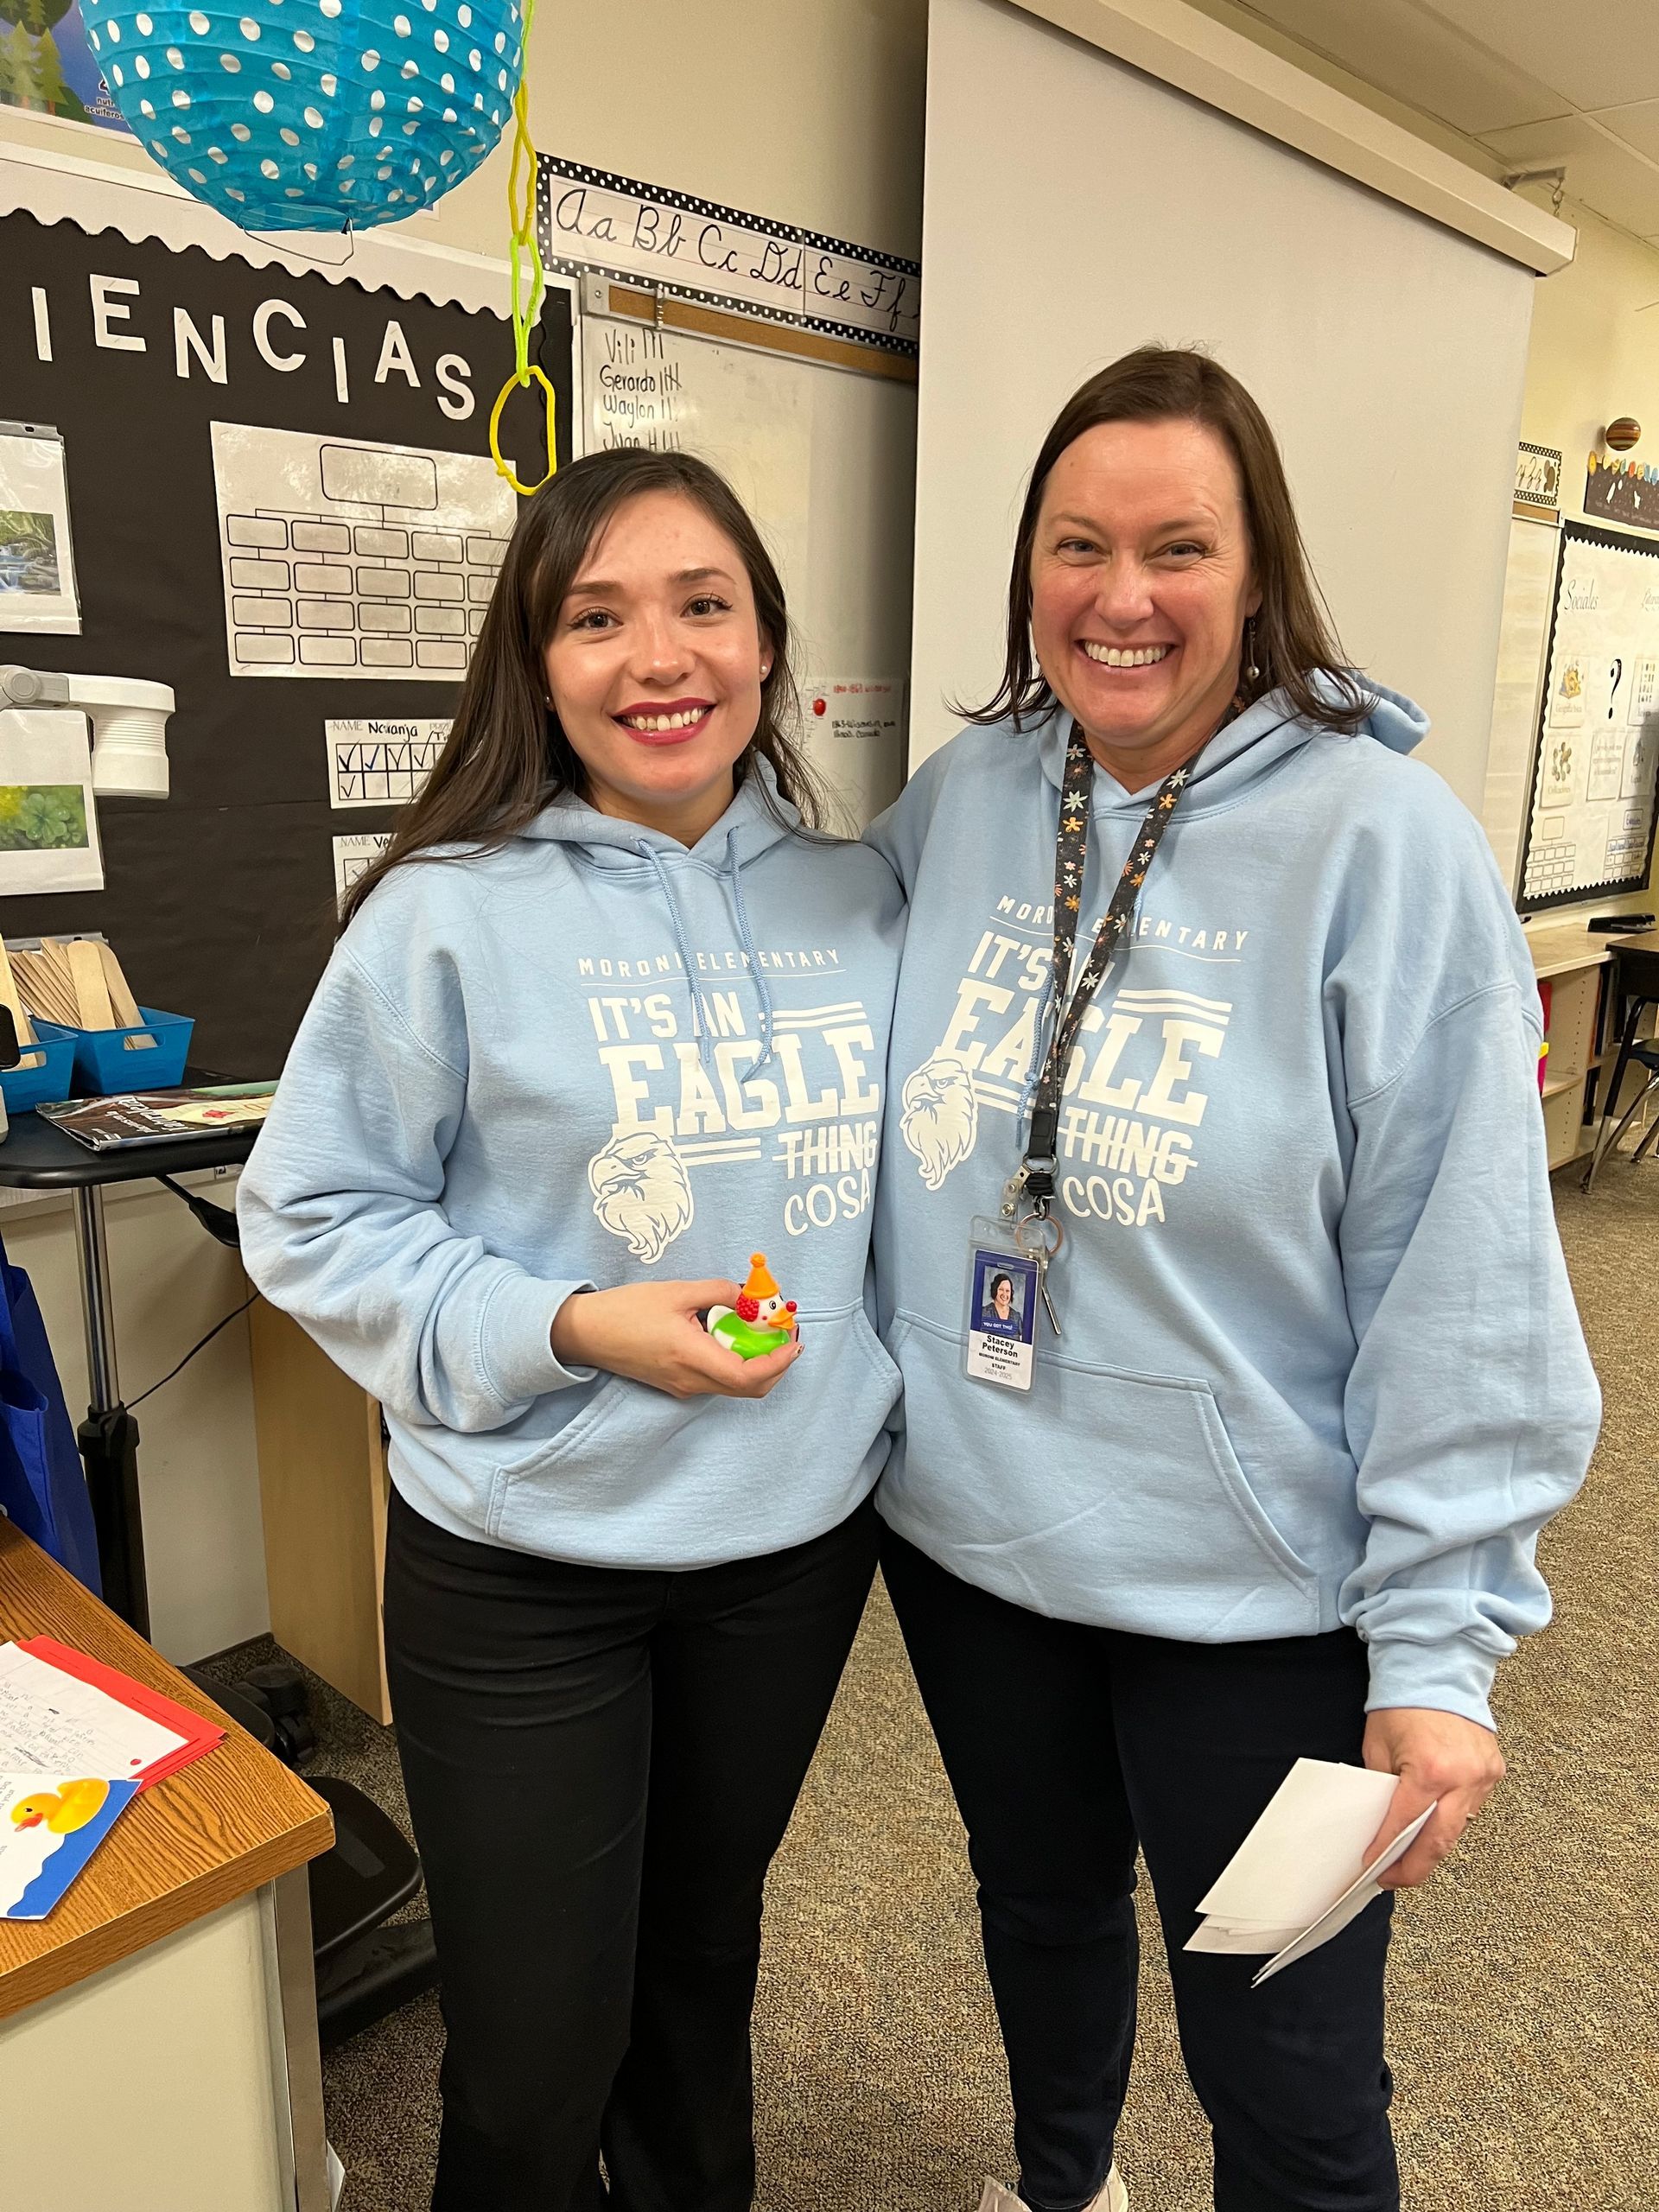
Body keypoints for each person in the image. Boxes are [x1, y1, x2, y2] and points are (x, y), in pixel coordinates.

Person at [869, 347, 1599, 2212]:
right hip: (974, 1553)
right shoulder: (962, 795)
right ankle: (1061, 2188)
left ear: (1258, 569)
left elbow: (1471, 1275)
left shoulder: (1389, 846)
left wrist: (1438, 1644)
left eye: (1178, 546)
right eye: (1078, 545)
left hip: (1276, 1601)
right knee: (1038, 1917)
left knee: (1287, 2034)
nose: (1123, 595)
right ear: (1026, 569)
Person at [238, 448, 903, 2212]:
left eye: (703, 604)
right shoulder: (446, 912)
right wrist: (572, 1321)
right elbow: (308, 1214)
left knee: (698, 1984)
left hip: (787, 1553)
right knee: (535, 2054)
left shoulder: (862, 905)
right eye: (594, 615)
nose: (656, 655)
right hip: (530, 1561)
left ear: (768, 643)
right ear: (537, 663)